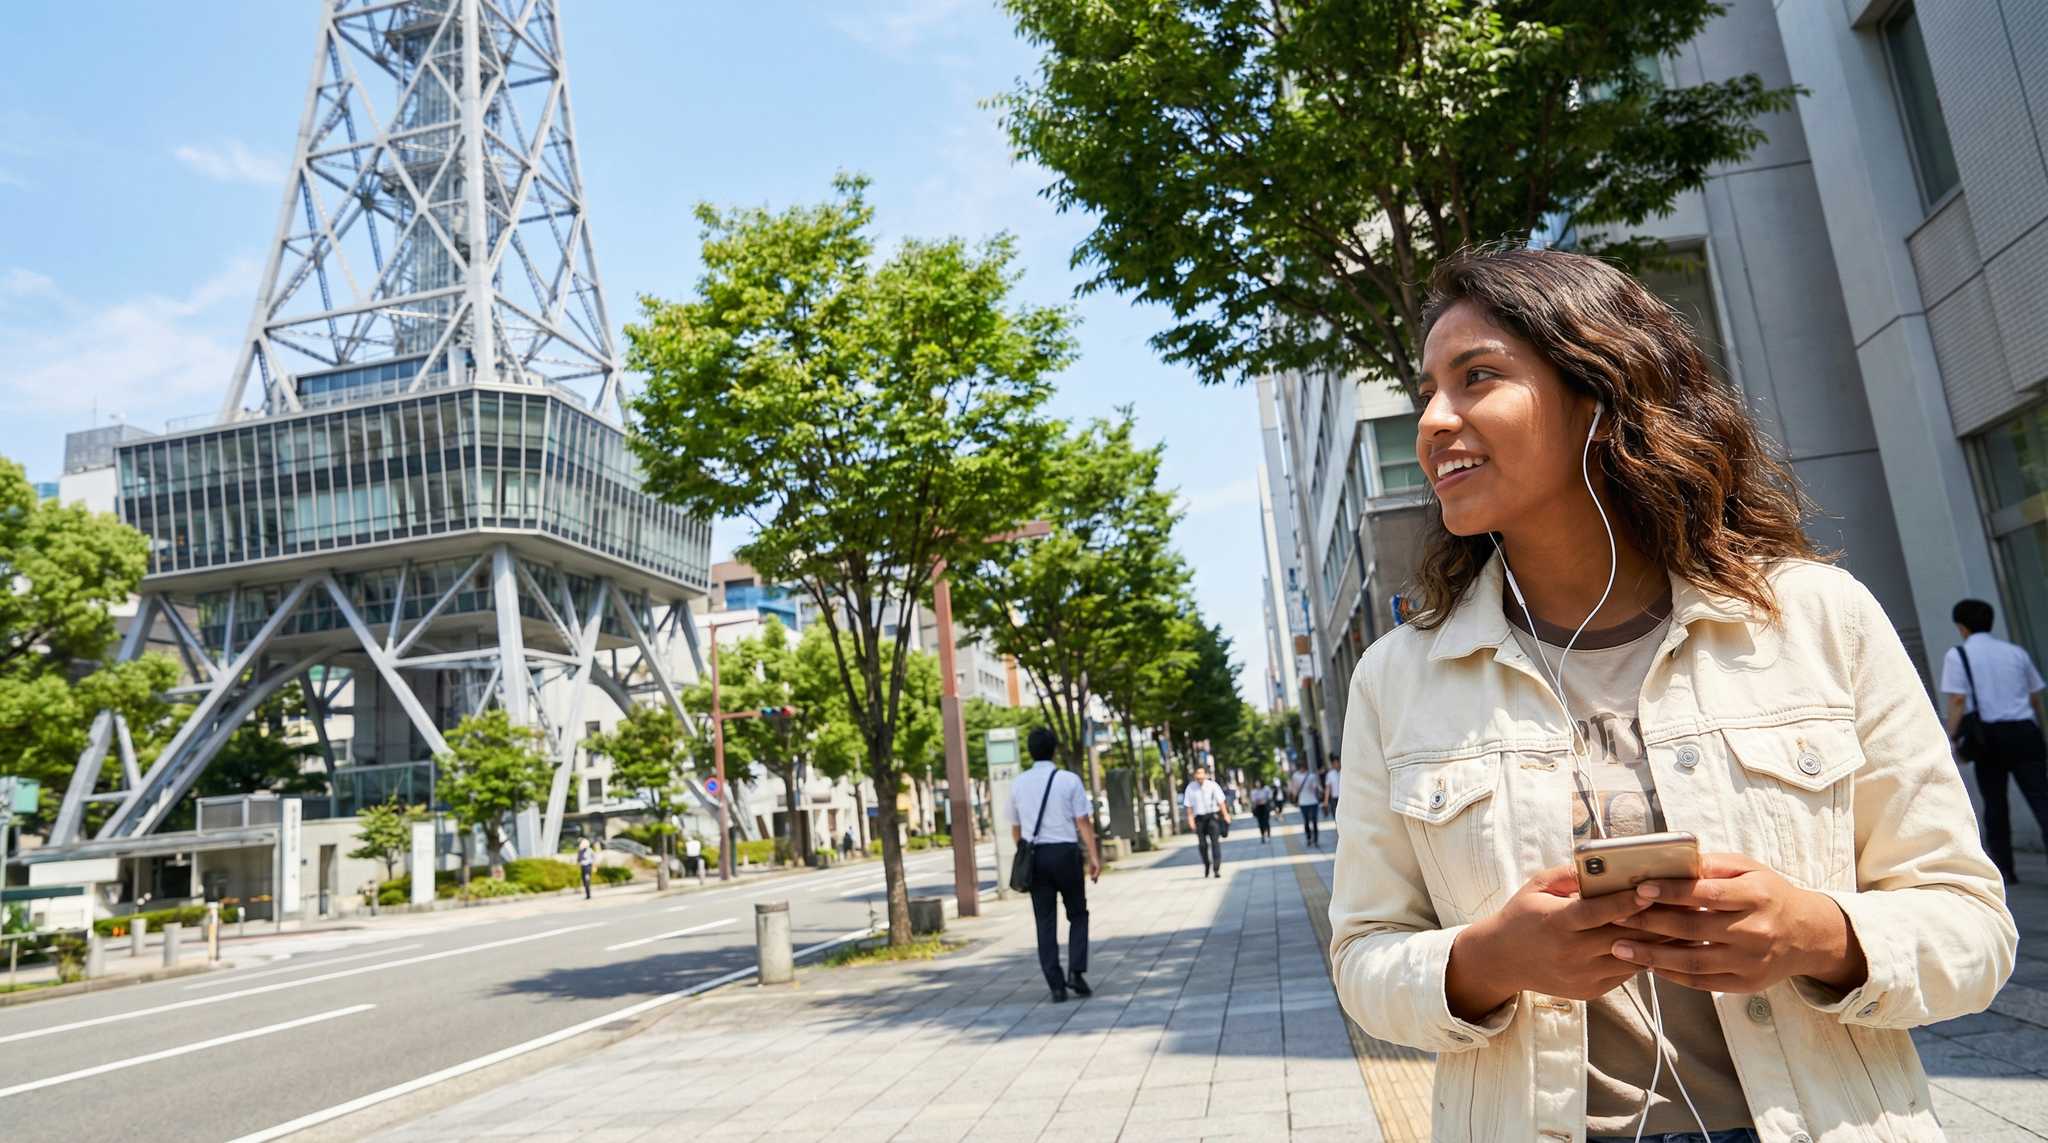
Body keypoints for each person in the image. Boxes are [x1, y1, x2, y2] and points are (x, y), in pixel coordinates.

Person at [1329, 246, 2015, 1143]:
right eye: (1428, 390)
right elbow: (1364, 954)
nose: (1433, 420)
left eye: (1478, 377)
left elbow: (1972, 924)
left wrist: (1816, 932)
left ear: (1599, 392)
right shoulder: (1397, 677)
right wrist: (1486, 960)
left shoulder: (1814, 618)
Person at [1941, 598, 2048, 883]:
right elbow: (2035, 698)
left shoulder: (1958, 655)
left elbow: (1958, 699)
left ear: (1961, 628)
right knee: (2041, 798)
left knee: (1995, 804)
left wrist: (1951, 736)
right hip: (2026, 732)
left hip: (1989, 737)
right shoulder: (2015, 652)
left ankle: (2006, 871)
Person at [1009, 727, 1101, 1003]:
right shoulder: (1069, 780)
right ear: (1054, 749)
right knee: (1077, 914)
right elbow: (1082, 821)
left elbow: (1016, 828)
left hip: (1036, 857)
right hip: (1066, 854)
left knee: (1045, 921)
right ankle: (1076, 971)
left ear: (1030, 751)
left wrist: (1025, 852)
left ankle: (1056, 985)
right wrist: (1094, 857)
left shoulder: (1019, 783)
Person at [1182, 764, 1229, 877]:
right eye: (1197, 773)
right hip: (1199, 819)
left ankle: (1216, 868)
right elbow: (1189, 806)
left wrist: (1226, 815)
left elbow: (1221, 801)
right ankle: (1207, 864)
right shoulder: (1190, 788)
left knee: (1215, 843)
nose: (1200, 776)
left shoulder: (1212, 785)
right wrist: (1190, 820)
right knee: (1202, 845)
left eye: (1201, 773)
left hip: (1212, 817)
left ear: (1205, 774)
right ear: (1194, 775)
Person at [1289, 761, 1324, 847]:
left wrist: (1319, 790)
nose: (1303, 768)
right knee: (1306, 821)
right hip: (1303, 802)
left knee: (1315, 821)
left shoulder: (1311, 776)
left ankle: (1315, 840)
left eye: (1304, 767)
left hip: (1313, 801)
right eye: (1301, 767)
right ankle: (1309, 838)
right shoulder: (1295, 776)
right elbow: (1294, 790)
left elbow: (1315, 787)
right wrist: (1294, 800)